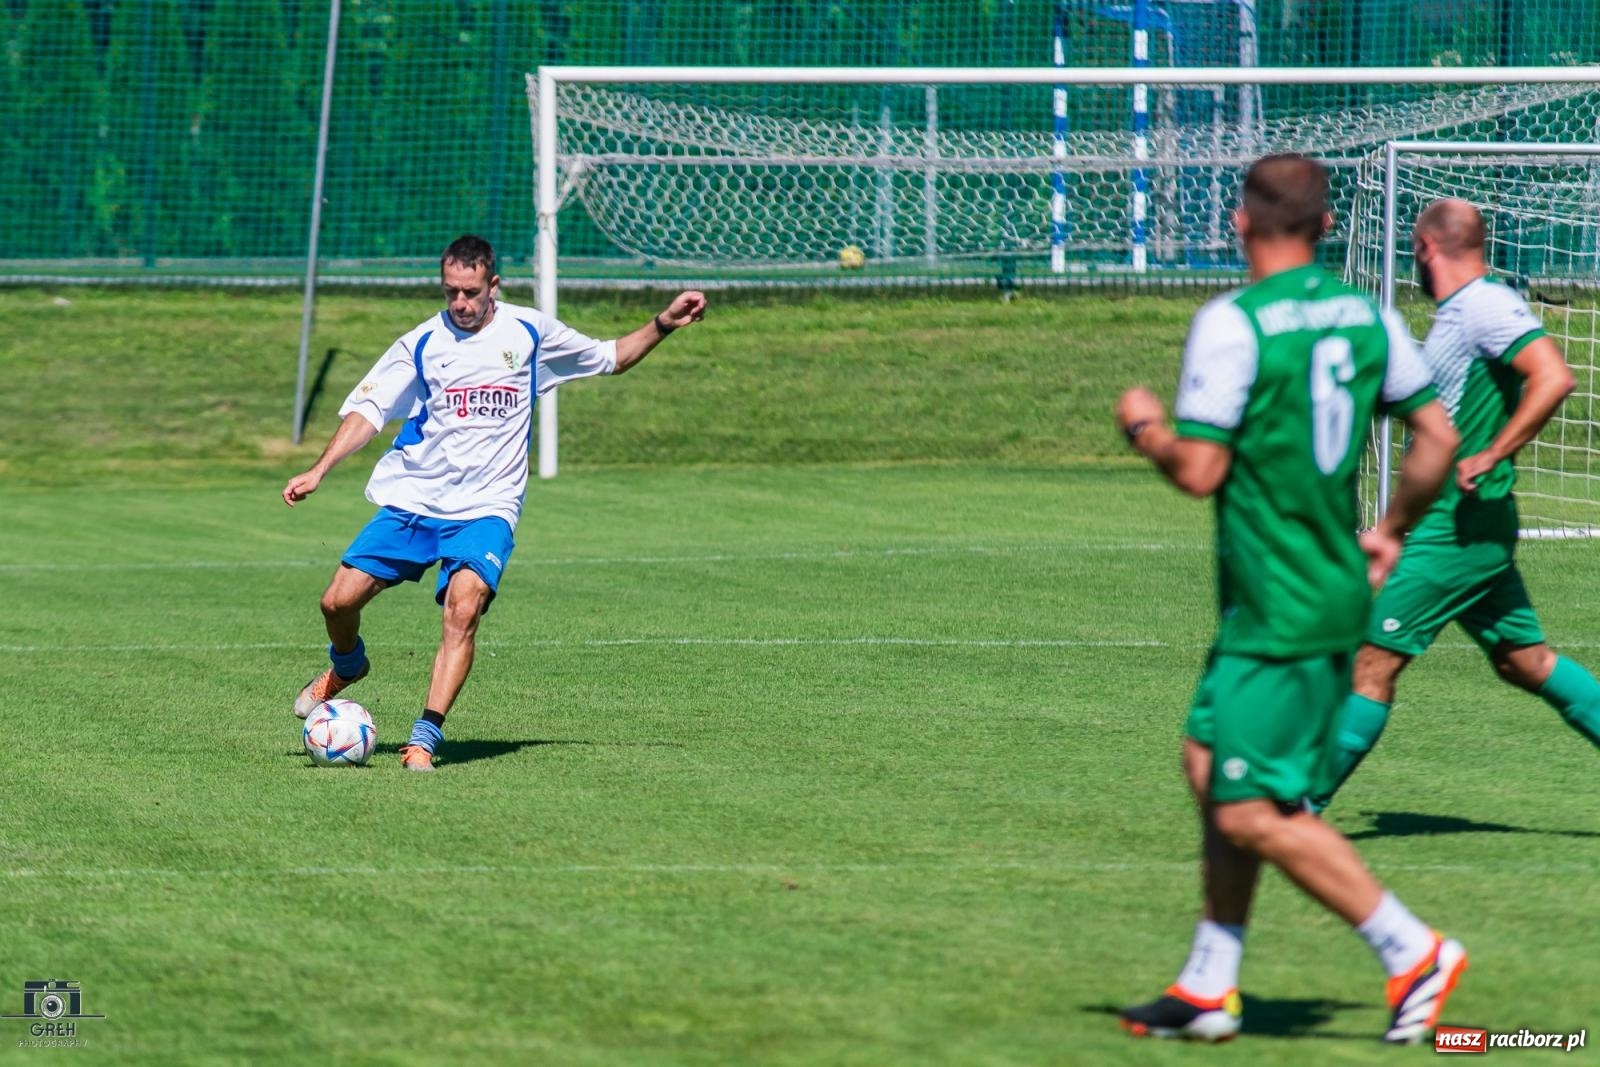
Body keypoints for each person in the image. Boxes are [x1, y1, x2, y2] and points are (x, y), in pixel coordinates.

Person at [1113, 154, 1467, 1044]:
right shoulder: (1369, 314)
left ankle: (1412, 950)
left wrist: (1145, 427)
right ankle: (1209, 982)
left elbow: (1200, 469)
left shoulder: (1235, 322)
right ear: (1324, 226)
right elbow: (1437, 434)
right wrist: (1390, 526)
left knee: (1246, 809)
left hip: (1282, 602)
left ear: (1242, 222)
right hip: (1310, 590)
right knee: (1207, 761)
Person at [282, 234, 707, 772]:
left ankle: (423, 738)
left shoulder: (529, 332)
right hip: (416, 497)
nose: (460, 302)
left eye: (471, 291)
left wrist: (663, 323)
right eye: (450, 291)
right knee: (336, 604)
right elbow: (369, 411)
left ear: (493, 286)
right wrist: (320, 469)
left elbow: (609, 358)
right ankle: (346, 665)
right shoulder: (421, 342)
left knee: (463, 610)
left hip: (488, 506)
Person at [1312, 199, 1600, 810]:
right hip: (1466, 525)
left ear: (1424, 247)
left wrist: (1494, 451)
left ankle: (1295, 809)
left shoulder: (1484, 306)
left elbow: (1553, 375)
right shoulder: (1460, 312)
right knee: (1525, 661)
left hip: (1458, 526)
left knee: (1371, 660)